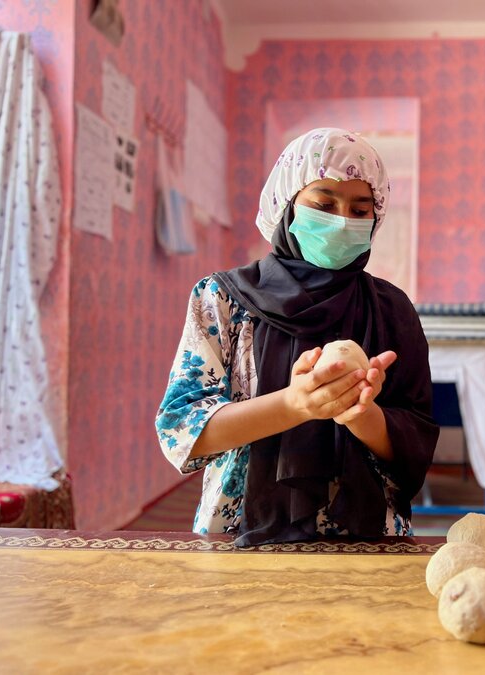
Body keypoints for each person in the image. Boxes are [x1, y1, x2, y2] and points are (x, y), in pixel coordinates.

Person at [155, 128, 439, 546]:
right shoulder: (223, 300)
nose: (343, 221)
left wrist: (360, 415)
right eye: (324, 204)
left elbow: (414, 441)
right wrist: (294, 404)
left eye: (360, 211)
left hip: (368, 534)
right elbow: (182, 429)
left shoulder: (392, 309)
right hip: (239, 532)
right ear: (286, 204)